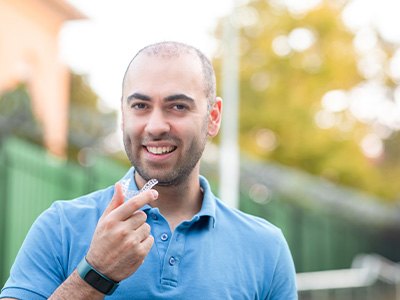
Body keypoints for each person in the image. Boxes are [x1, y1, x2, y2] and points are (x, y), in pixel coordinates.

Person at [0, 41, 297, 299]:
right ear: (123, 115)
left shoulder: (266, 248)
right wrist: (96, 272)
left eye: (178, 106)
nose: (155, 126)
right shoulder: (60, 227)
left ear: (213, 117)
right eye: (141, 105)